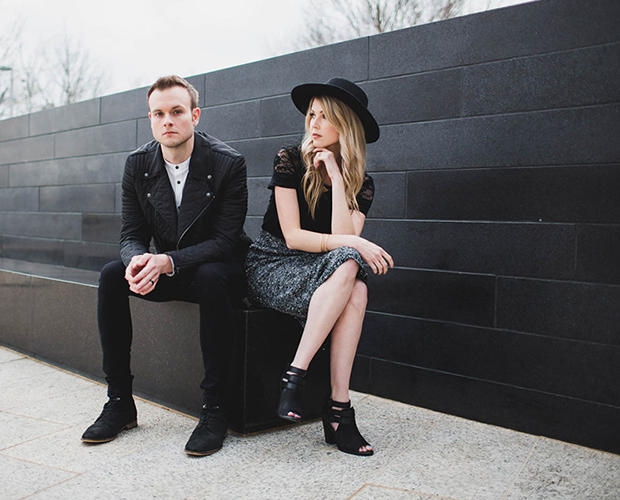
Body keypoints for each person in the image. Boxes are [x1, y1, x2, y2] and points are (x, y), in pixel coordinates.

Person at [82, 75, 250, 457]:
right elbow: (130, 235)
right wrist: (137, 261)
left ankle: (214, 410)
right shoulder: (138, 164)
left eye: (176, 112)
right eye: (158, 113)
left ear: (195, 115)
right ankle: (120, 402)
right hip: (169, 267)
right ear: (151, 119)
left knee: (209, 275)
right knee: (111, 275)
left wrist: (167, 261)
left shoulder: (228, 163)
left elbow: (225, 241)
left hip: (221, 269)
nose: (167, 120)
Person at [244, 78, 393, 456]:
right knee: (352, 273)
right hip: (273, 263)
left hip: (326, 272)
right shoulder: (290, 159)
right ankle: (336, 409)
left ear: (346, 126)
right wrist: (357, 242)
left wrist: (339, 179)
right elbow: (293, 237)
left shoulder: (363, 183)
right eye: (312, 114)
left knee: (354, 281)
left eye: (326, 117)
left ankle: (302, 381)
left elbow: (344, 239)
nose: (314, 123)